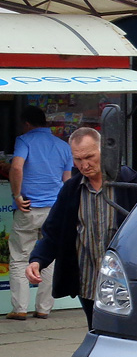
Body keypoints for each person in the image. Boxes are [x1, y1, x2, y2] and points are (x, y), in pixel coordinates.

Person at [27, 127, 137, 357]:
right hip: (90, 285)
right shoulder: (72, 190)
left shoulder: (128, 183)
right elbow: (53, 232)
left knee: (123, 351)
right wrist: (37, 260)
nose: (84, 165)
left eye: (89, 157)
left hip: (126, 288)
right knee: (94, 350)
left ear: (103, 153)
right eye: (78, 159)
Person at [7, 106, 72, 320]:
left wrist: (17, 195)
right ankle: (44, 308)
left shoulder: (24, 141)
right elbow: (67, 180)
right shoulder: (63, 146)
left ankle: (20, 308)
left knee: (19, 257)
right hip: (54, 209)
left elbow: (16, 167)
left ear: (26, 123)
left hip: (28, 207)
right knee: (49, 258)